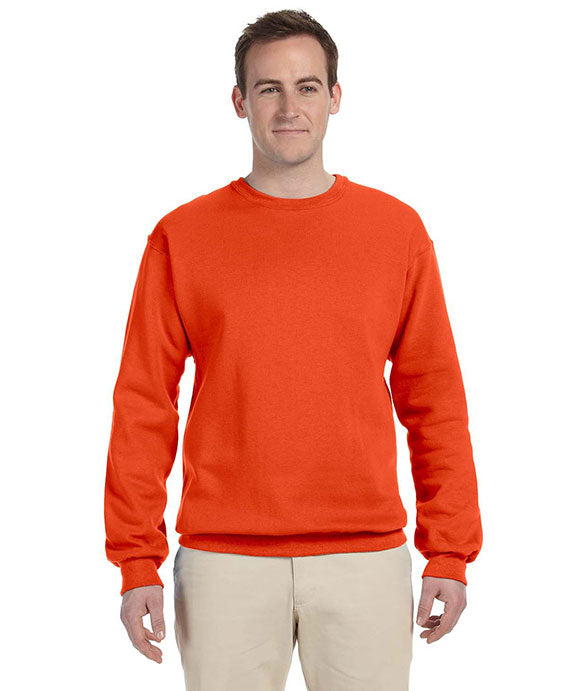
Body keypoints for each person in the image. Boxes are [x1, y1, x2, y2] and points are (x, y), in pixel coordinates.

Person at [104, 9, 483, 690]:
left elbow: (435, 400)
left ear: (335, 97)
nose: (289, 107)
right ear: (239, 101)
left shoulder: (396, 232)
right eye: (269, 88)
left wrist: (449, 552)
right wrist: (137, 561)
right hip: (223, 561)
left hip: (365, 556)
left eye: (307, 87)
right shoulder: (181, 237)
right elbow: (143, 405)